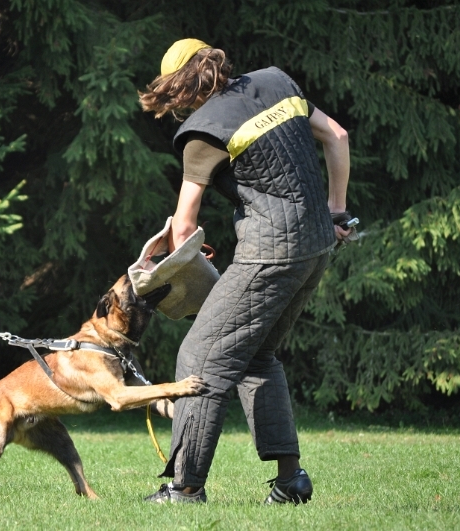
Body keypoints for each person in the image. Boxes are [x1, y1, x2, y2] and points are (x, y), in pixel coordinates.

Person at [139, 39, 352, 504]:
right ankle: (291, 481)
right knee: (256, 357)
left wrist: (172, 267)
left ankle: (185, 488)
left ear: (181, 88)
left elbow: (185, 226)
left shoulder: (203, 132)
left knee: (198, 359)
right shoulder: (277, 81)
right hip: (317, 245)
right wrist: (335, 212)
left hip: (268, 254)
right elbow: (337, 136)